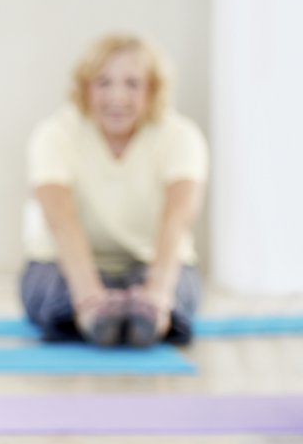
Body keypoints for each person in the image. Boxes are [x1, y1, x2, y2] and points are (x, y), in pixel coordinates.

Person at [21, 34, 209, 346]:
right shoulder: (53, 135)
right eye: (103, 82)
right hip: (66, 263)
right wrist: (88, 295)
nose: (117, 96)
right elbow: (61, 219)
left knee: (173, 293)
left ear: (152, 90)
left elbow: (178, 217)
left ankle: (147, 320)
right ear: (85, 88)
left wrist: (158, 291)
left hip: (153, 262)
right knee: (53, 289)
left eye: (132, 84)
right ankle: (100, 320)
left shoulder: (182, 136)